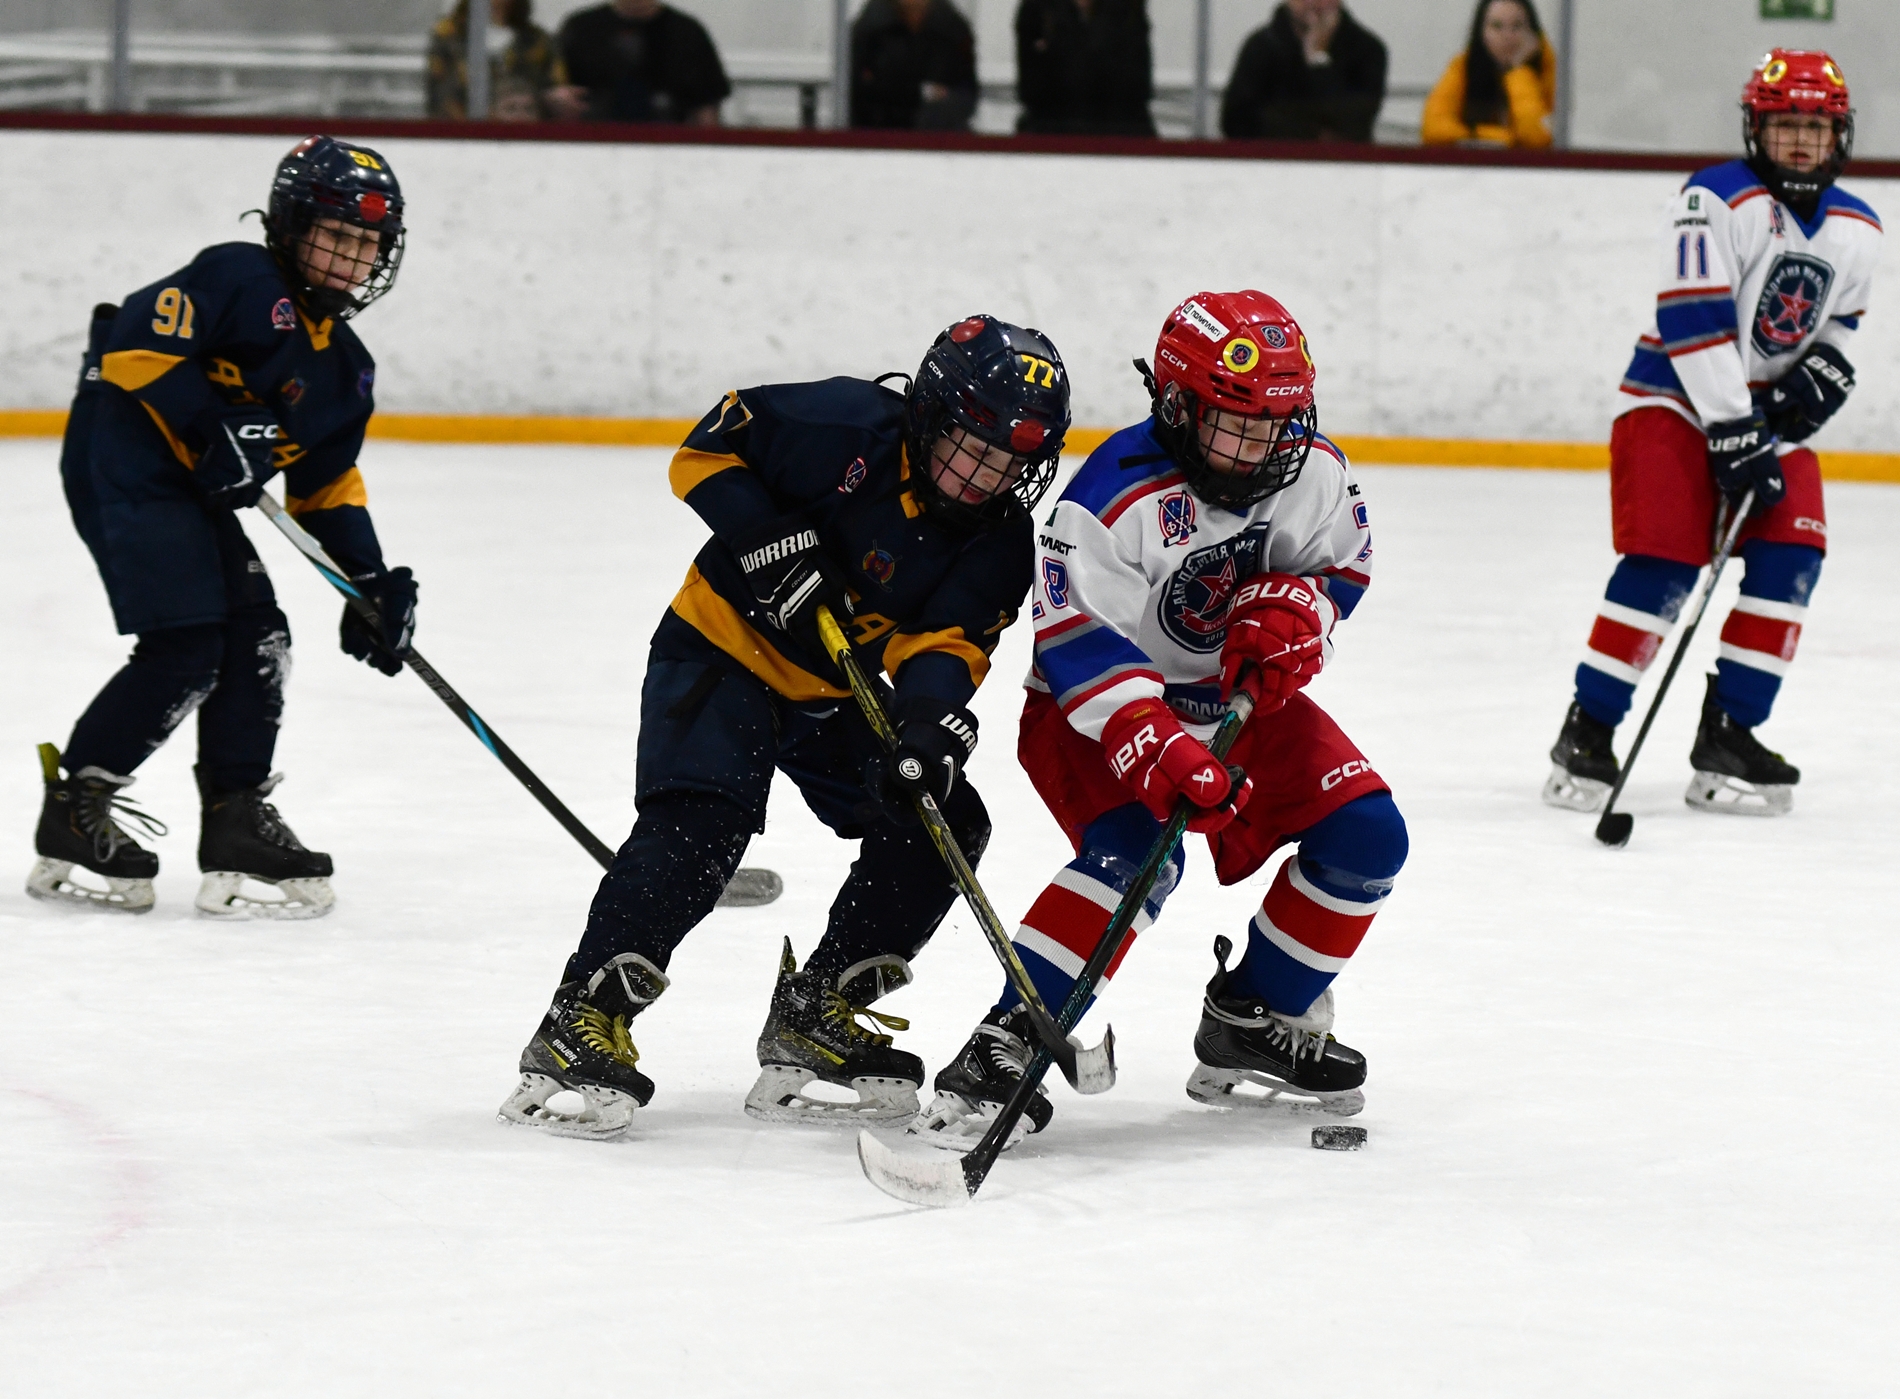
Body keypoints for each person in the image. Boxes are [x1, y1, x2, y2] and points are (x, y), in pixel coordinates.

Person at [497, 316, 1072, 1140]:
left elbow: (943, 648)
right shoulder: (841, 425)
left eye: (1009, 460)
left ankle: (818, 1006)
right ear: (929, 416)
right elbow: (705, 449)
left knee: (940, 819)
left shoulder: (997, 543)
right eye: (970, 446)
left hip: (832, 690)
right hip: (720, 649)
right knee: (704, 821)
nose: (985, 475)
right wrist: (767, 540)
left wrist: (924, 732)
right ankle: (579, 1016)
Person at [911, 292, 1407, 1149]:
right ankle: (1004, 1042)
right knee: (1139, 857)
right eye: (1238, 428)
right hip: (1093, 713)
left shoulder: (1315, 471)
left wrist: (1303, 615)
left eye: (1281, 426)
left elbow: (1345, 570)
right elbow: (1074, 641)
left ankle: (1253, 1019)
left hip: (1236, 701)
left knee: (1368, 834)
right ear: (1177, 406)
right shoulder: (1108, 497)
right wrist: (1153, 739)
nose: (1264, 450)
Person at [29, 137, 420, 920]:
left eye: (366, 243)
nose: (351, 257)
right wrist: (213, 425)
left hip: (195, 492)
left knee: (258, 636)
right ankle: (76, 805)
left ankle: (235, 817)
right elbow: (133, 348)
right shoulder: (239, 274)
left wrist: (369, 580)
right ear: (290, 223)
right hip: (126, 455)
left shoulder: (348, 368)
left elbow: (326, 486)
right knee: (187, 643)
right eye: (336, 235)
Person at [1545, 50, 1878, 818]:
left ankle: (1731, 732)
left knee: (1794, 553)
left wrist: (1821, 372)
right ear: (1756, 127)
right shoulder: (1715, 198)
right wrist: (1733, 429)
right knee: (1664, 565)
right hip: (1674, 399)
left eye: (1815, 126)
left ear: (1839, 135)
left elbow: (1843, 320)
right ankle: (1587, 728)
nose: (1800, 140)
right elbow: (1691, 317)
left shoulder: (1861, 224)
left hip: (1761, 417)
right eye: (1785, 123)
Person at [1220, 0, 1387, 143]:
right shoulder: (1261, 47)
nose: (1312, 3)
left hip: (1343, 169)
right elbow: (1236, 122)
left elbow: (1355, 122)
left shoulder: (1368, 50)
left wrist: (1318, 58)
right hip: (1270, 167)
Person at [557, 0, 730, 125]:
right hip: (592, 143)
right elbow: (560, 98)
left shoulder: (686, 32)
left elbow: (706, 107)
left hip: (670, 144)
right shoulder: (582, 29)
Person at [1420, 0, 1554, 149]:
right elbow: (1432, 128)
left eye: (1517, 26)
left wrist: (1518, 72)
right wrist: (1496, 137)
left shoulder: (1546, 69)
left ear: (1532, 34)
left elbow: (1538, 138)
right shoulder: (1463, 66)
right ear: (1481, 32)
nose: (1507, 36)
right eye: (1496, 26)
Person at [1015, 0, 1155, 138]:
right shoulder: (1038, 9)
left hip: (1120, 130)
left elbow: (1136, 87)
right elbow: (1031, 90)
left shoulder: (1128, 9)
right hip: (1053, 130)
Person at [425, 0, 582, 121]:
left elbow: (555, 90)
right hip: (465, 137)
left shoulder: (538, 41)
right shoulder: (450, 37)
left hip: (528, 137)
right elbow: (441, 96)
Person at [851, 0, 978, 132]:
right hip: (877, 133)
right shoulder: (870, 28)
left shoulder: (953, 28)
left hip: (938, 136)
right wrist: (925, 93)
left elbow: (966, 94)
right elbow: (856, 91)